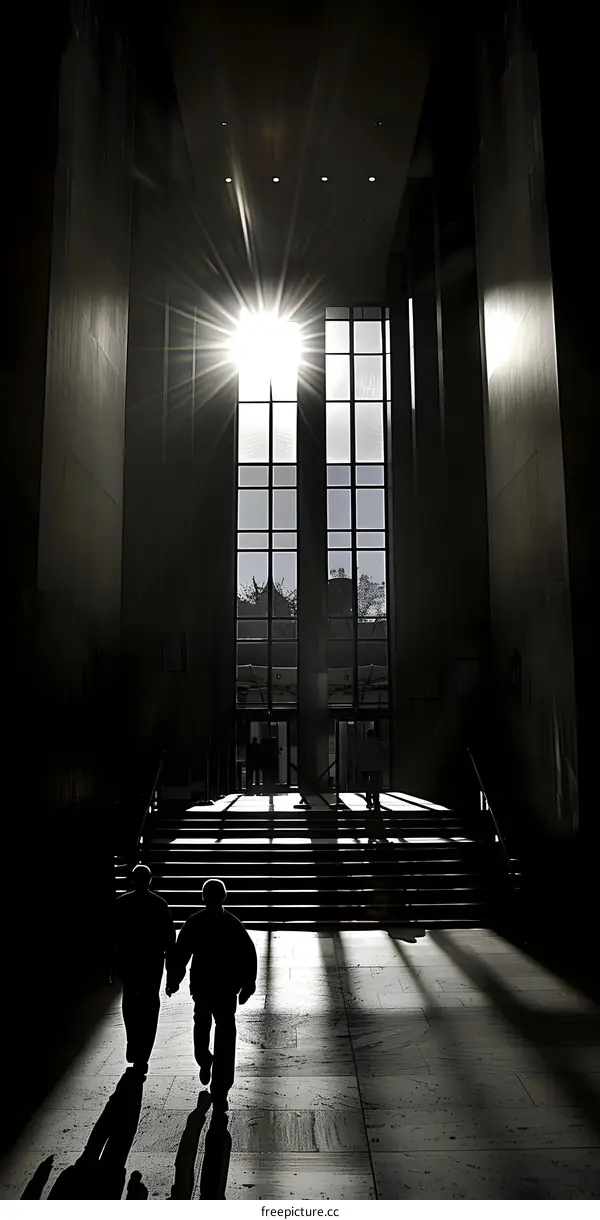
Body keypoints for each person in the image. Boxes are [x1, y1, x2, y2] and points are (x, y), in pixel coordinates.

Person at [166, 877, 258, 1112]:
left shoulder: (195, 922)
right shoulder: (233, 924)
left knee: (201, 1023)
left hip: (203, 985)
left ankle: (204, 1059)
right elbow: (248, 954)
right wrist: (248, 985)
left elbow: (181, 953)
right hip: (226, 987)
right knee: (226, 1032)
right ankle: (222, 1088)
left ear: (203, 897)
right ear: (224, 897)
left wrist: (173, 980)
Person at [110, 863, 175, 1073]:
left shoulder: (121, 903)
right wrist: (173, 971)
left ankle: (132, 1041)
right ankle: (143, 1052)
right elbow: (169, 939)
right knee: (149, 1006)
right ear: (150, 880)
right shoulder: (160, 904)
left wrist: (111, 966)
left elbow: (112, 938)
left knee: (129, 1002)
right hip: (151, 962)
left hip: (129, 961)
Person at [356, 728, 388, 840]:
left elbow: (358, 755)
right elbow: (385, 753)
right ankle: (376, 799)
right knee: (375, 784)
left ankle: (368, 798)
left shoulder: (362, 744)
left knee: (366, 783)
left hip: (365, 767)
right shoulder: (379, 744)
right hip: (376, 767)